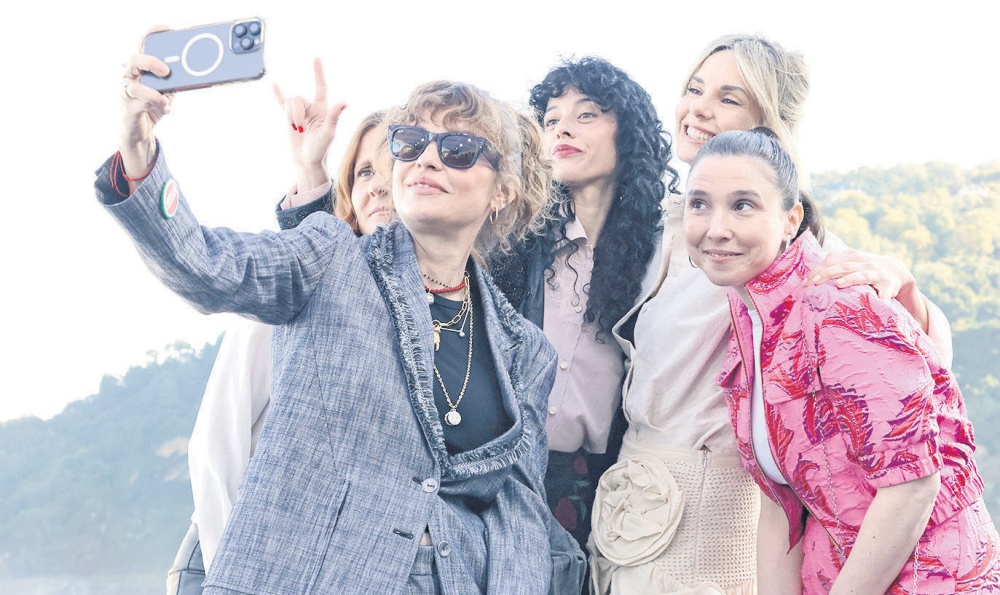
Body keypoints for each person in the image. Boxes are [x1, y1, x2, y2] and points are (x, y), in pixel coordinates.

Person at [105, 45, 583, 593]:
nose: (426, 159)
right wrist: (138, 151)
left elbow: (518, 517)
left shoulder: (525, 350)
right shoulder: (330, 258)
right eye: (411, 143)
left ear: (504, 191)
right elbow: (207, 265)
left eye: (457, 149)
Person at [588, 34, 953, 594]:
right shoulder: (664, 225)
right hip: (627, 516)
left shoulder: (785, 248)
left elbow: (914, 370)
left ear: (769, 124)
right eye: (694, 89)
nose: (699, 109)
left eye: (728, 98)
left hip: (710, 526)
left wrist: (905, 289)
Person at [686, 126, 1000, 594]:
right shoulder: (750, 321)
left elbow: (912, 484)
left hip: (933, 578)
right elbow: (781, 503)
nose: (716, 228)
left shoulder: (838, 308)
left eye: (743, 205)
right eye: (699, 204)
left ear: (791, 220)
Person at [166, 101, 392, 594]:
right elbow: (217, 445)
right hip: (229, 558)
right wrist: (233, 576)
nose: (378, 185)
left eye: (393, 166)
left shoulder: (428, 318)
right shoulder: (300, 285)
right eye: (364, 171)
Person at [491, 56, 677, 550]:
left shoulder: (660, 252)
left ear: (628, 132)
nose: (563, 128)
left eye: (587, 114)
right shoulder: (513, 241)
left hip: (596, 484)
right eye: (551, 120)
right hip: (498, 466)